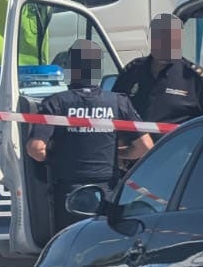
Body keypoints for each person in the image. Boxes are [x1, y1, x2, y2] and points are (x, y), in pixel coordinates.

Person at [27, 39, 153, 233]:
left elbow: (36, 149)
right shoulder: (118, 102)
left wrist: (58, 158)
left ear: (71, 69)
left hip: (69, 194)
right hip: (107, 191)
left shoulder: (56, 103)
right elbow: (145, 147)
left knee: (70, 246)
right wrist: (117, 155)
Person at [116, 13, 203, 130]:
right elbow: (114, 111)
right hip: (136, 147)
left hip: (179, 147)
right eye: (167, 39)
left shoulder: (194, 77)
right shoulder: (133, 71)